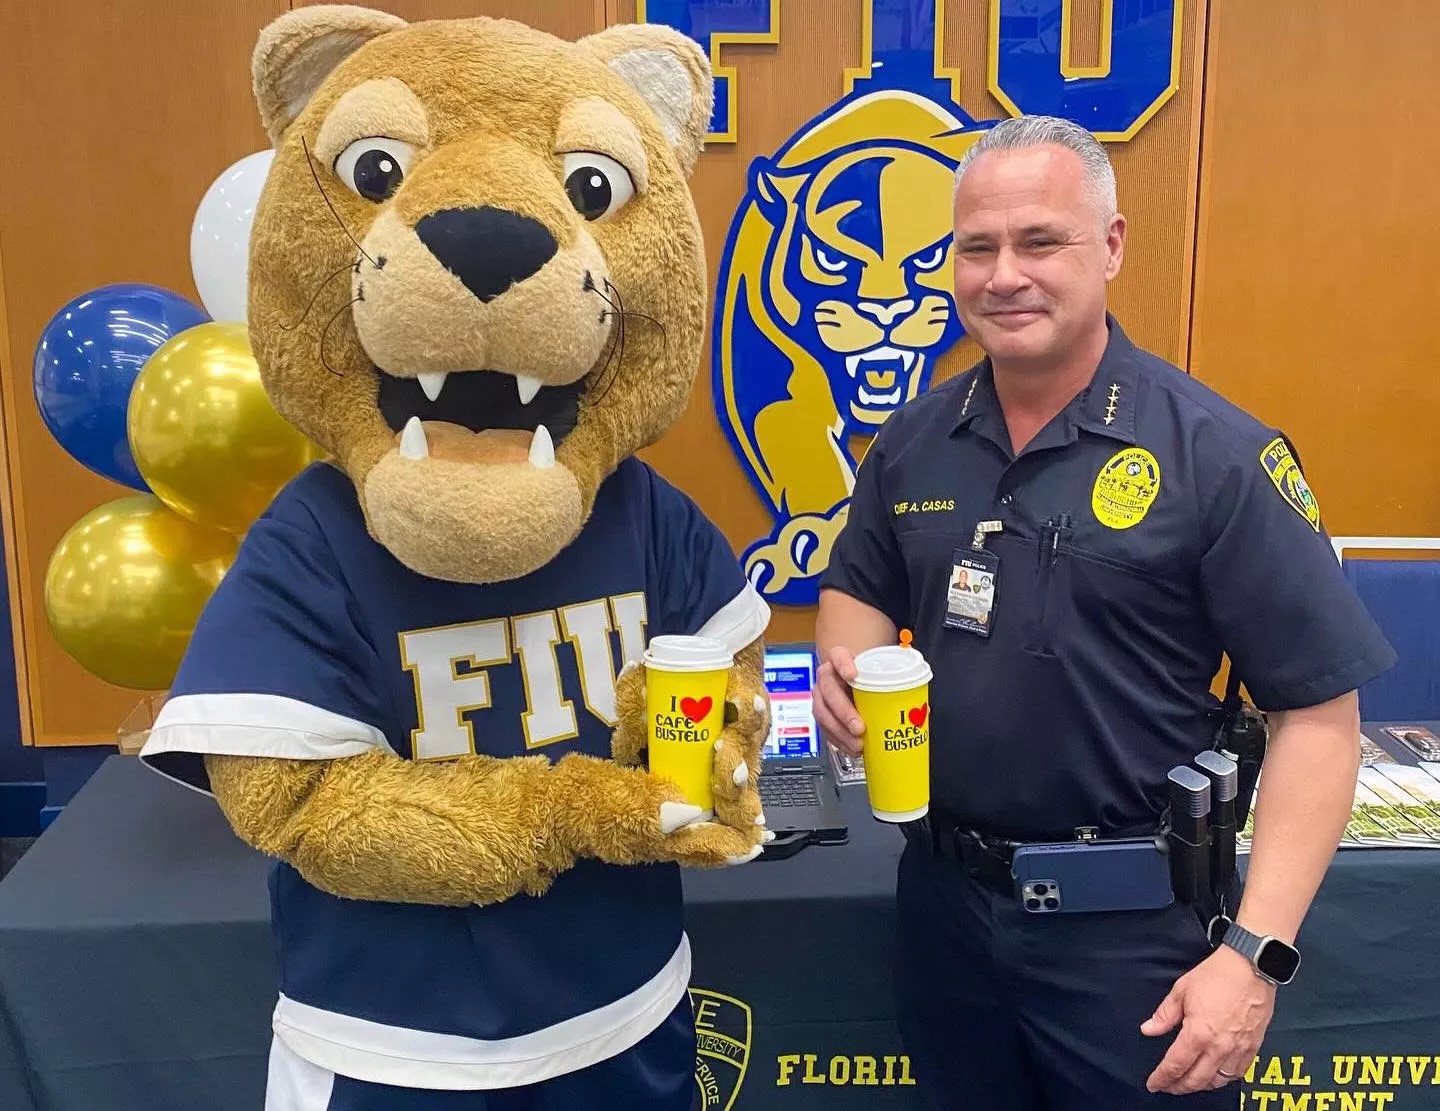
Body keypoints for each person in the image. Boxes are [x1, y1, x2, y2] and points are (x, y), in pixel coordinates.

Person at [813, 115, 1395, 1110]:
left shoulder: (1216, 456)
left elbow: (1318, 721)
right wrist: (850, 665)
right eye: (977, 247)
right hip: (945, 912)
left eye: (1041, 241)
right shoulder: (912, 443)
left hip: (1135, 936)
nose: (1004, 275)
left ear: (1112, 246)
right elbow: (860, 588)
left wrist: (1254, 956)